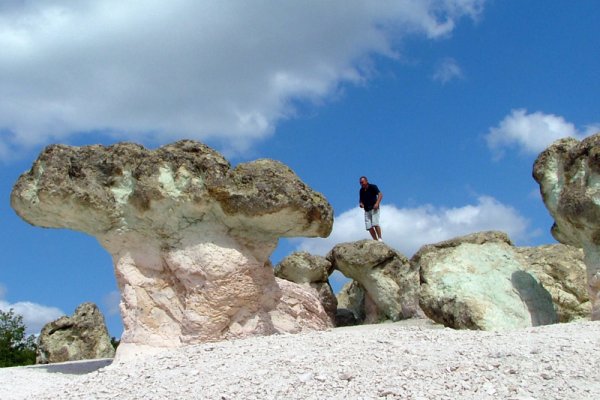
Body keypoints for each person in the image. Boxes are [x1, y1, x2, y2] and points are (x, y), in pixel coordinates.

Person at [359, 176, 383, 241]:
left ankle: (380, 238)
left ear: (366, 181)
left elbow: (380, 194)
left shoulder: (373, 187)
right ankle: (375, 240)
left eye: (362, 182)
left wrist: (377, 203)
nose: (362, 184)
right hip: (367, 209)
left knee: (375, 224)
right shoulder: (361, 190)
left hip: (374, 208)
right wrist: (361, 204)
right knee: (369, 227)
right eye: (360, 183)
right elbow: (361, 200)